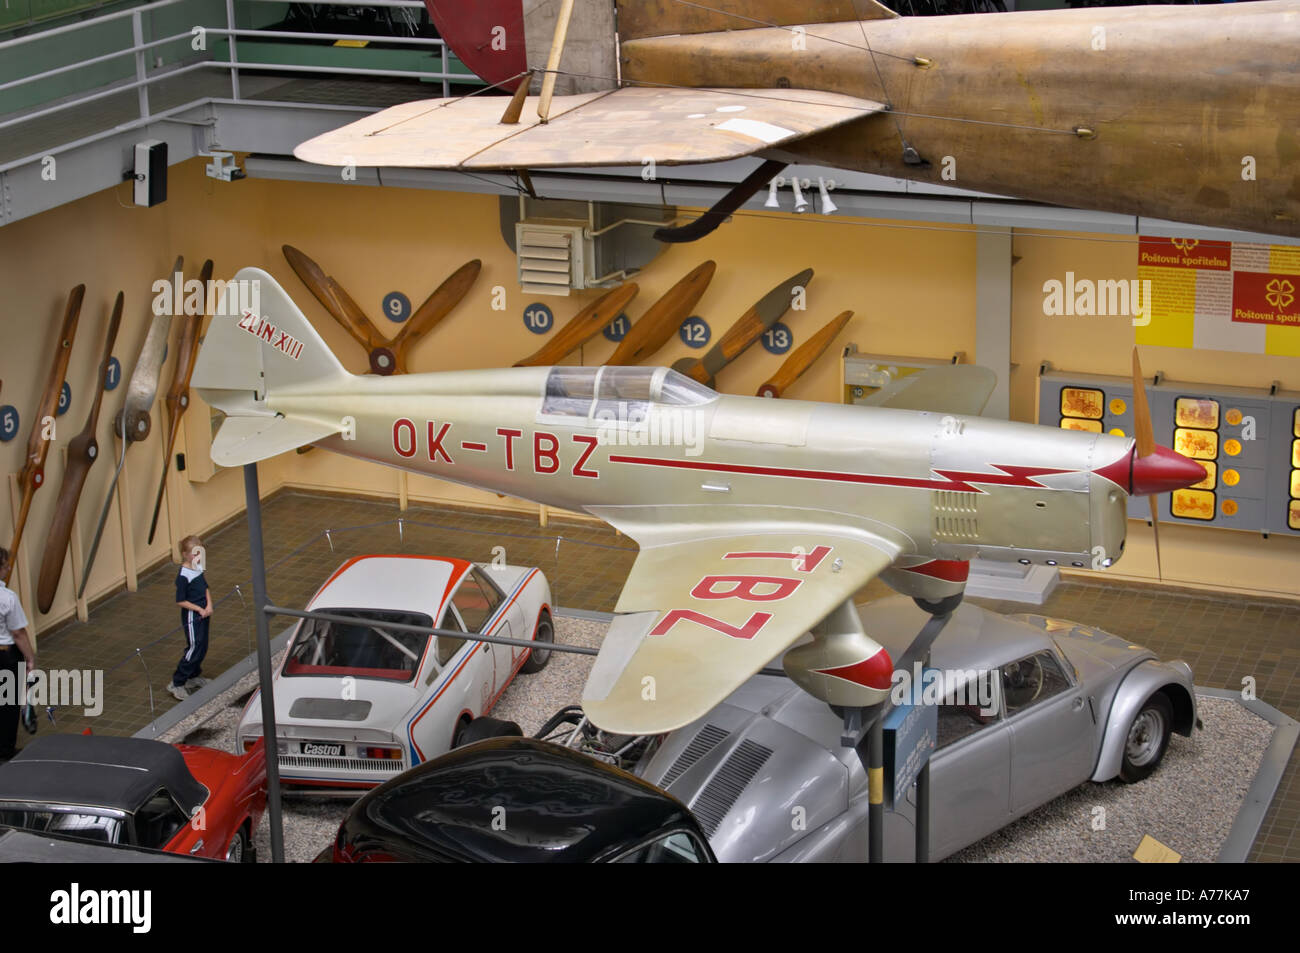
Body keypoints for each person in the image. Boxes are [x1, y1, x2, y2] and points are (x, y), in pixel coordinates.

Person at [0, 547, 36, 762]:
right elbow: (18, 633)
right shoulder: (7, 598)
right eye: (5, 565)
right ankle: (5, 750)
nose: (8, 568)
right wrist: (30, 658)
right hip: (5, 656)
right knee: (8, 703)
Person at [170, 535, 212, 701]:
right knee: (194, 646)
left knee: (202, 645)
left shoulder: (198, 566)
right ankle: (177, 681)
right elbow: (180, 601)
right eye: (195, 554)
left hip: (203, 612)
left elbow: (205, 587)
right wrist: (199, 609)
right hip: (193, 616)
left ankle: (193, 675)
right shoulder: (183, 576)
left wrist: (209, 605)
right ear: (186, 554)